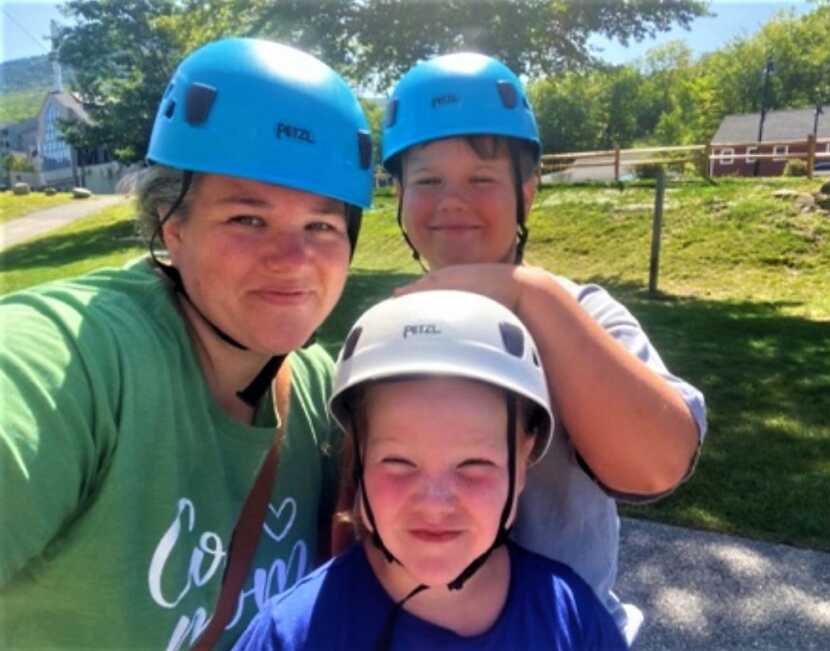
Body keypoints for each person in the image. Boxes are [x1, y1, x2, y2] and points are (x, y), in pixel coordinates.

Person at [0, 38, 373, 650]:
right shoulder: (77, 361)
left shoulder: (323, 395)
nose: (293, 260)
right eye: (247, 219)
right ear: (172, 229)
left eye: (321, 225)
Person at [379, 52, 708, 644]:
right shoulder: (387, 329)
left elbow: (659, 464)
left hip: (563, 631)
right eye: (427, 180)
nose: (452, 201)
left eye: (481, 180)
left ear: (526, 195)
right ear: (399, 195)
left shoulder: (582, 312)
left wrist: (530, 293)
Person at [233, 289, 628, 650]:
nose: (435, 503)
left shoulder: (570, 618)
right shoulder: (291, 634)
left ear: (522, 466)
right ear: (359, 461)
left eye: (474, 465)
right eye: (399, 463)